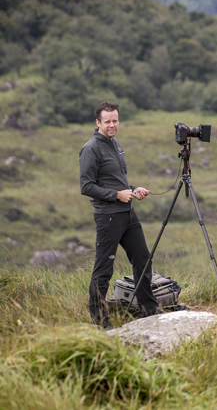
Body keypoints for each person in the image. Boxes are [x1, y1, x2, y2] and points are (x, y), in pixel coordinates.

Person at [79, 101, 160, 329]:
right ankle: (100, 323)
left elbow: (117, 181)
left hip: (128, 214)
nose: (112, 125)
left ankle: (149, 312)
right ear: (98, 122)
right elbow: (86, 186)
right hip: (108, 217)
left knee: (143, 259)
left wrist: (134, 189)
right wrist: (116, 195)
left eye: (115, 120)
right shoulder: (90, 148)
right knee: (104, 269)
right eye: (107, 121)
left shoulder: (115, 144)